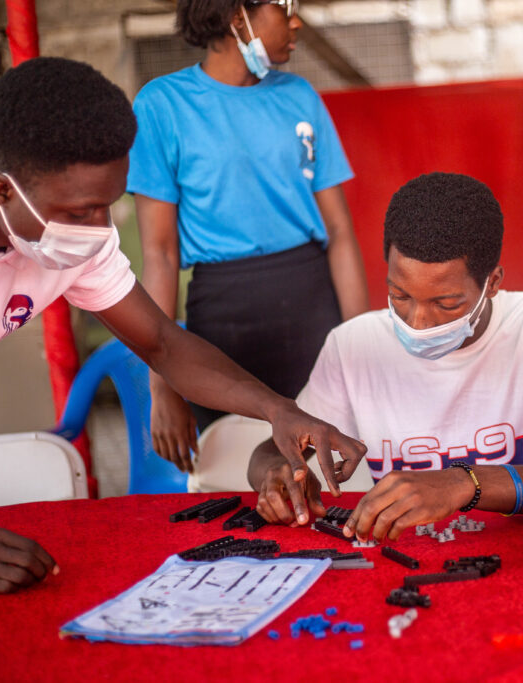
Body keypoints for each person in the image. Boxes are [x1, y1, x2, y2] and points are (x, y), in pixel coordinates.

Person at [0, 57, 364, 593]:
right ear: (2, 191)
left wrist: (279, 411)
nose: (100, 229)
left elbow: (162, 343)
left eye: (109, 207)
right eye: (81, 212)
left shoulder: (70, 239)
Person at [247, 172, 523, 537]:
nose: (419, 322)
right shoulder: (352, 345)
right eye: (399, 296)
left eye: (447, 302)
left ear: (493, 283)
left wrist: (462, 484)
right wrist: (277, 474)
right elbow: (275, 449)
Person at [128, 0, 369, 472]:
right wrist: (164, 383)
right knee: (234, 472)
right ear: (238, 16)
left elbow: (340, 232)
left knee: (325, 473)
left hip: (312, 307)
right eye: (286, 8)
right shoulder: (162, 105)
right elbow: (159, 254)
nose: (296, 21)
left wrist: (360, 347)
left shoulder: (299, 96)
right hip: (222, 320)